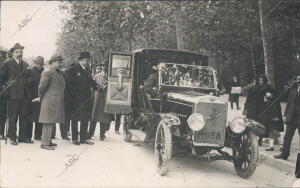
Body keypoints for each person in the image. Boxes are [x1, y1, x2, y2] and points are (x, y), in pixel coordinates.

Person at [0, 43, 33, 145]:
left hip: (24, 96)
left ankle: (23, 137)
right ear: (13, 53)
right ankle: (12, 137)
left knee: (24, 116)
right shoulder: (7, 63)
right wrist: (4, 90)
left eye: (21, 52)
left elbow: (29, 77)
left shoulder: (25, 64)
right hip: (12, 95)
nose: (20, 54)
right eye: (17, 52)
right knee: (13, 117)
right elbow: (1, 78)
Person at [67, 52, 96, 145]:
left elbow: (91, 81)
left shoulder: (87, 69)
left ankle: (83, 138)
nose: (88, 62)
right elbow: (69, 85)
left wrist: (98, 87)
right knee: (75, 118)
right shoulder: (73, 69)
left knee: (86, 118)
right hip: (76, 99)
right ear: (80, 60)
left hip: (87, 99)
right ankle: (75, 139)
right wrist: (76, 95)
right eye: (86, 60)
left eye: (88, 60)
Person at [38, 55, 65, 150]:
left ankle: (48, 141)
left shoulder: (56, 72)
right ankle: (45, 143)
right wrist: (41, 96)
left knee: (51, 121)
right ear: (52, 62)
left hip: (54, 101)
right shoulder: (48, 72)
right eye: (59, 62)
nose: (60, 64)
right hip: (49, 101)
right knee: (47, 121)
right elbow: (41, 87)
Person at [274, 75, 300, 160]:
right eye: (298, 81)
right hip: (291, 118)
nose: (298, 82)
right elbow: (288, 105)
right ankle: (284, 155)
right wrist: (285, 116)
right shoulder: (292, 91)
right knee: (287, 137)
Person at [89, 63, 113, 141]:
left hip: (106, 99)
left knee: (104, 118)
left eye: (105, 66)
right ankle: (90, 134)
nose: (104, 68)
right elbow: (92, 88)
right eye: (102, 66)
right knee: (94, 117)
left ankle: (102, 135)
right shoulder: (96, 76)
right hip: (97, 99)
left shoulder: (111, 77)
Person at [28, 56, 45, 140]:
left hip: (42, 97)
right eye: (38, 64)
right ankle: (28, 136)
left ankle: (38, 135)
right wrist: (30, 96)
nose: (39, 65)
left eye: (41, 64)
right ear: (35, 63)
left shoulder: (45, 72)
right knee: (31, 117)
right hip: (31, 97)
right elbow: (28, 85)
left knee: (40, 117)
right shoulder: (30, 71)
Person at [0, 49, 8, 140]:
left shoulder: (5, 66)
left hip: (2, 93)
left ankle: (1, 133)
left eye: (2, 57)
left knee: (2, 113)